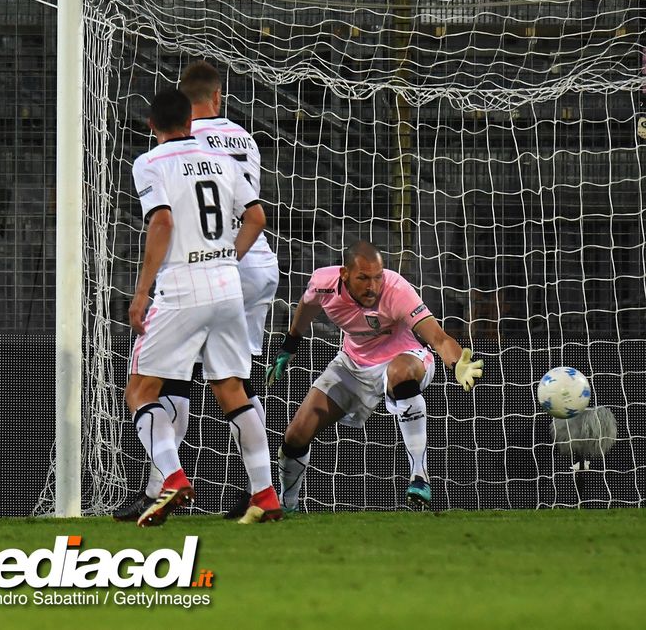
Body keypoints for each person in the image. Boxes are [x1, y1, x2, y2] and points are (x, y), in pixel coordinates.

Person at [114, 61, 281, 521]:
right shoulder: (224, 158)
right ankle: (265, 494)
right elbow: (257, 217)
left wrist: (142, 291)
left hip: (182, 288)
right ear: (192, 121)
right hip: (229, 284)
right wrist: (229, 255)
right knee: (232, 390)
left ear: (151, 126)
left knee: (140, 390)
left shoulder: (148, 162)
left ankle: (170, 478)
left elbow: (163, 222)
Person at [265, 241, 484, 510]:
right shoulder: (323, 282)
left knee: (399, 372)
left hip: (405, 357)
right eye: (364, 278)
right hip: (353, 364)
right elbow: (308, 305)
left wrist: (456, 364)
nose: (373, 286)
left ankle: (420, 476)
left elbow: (437, 338)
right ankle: (287, 506)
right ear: (344, 275)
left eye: (377, 277)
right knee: (296, 435)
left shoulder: (396, 289)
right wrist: (291, 343)